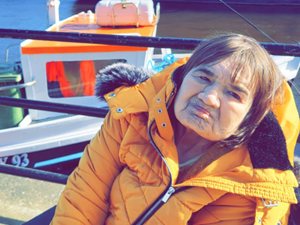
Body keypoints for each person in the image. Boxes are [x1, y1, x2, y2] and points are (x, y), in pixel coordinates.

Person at [51, 33, 300, 225]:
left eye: (234, 93)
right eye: (203, 77)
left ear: (251, 116)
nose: (209, 98)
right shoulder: (131, 116)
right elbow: (83, 198)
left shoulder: (252, 185)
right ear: (181, 79)